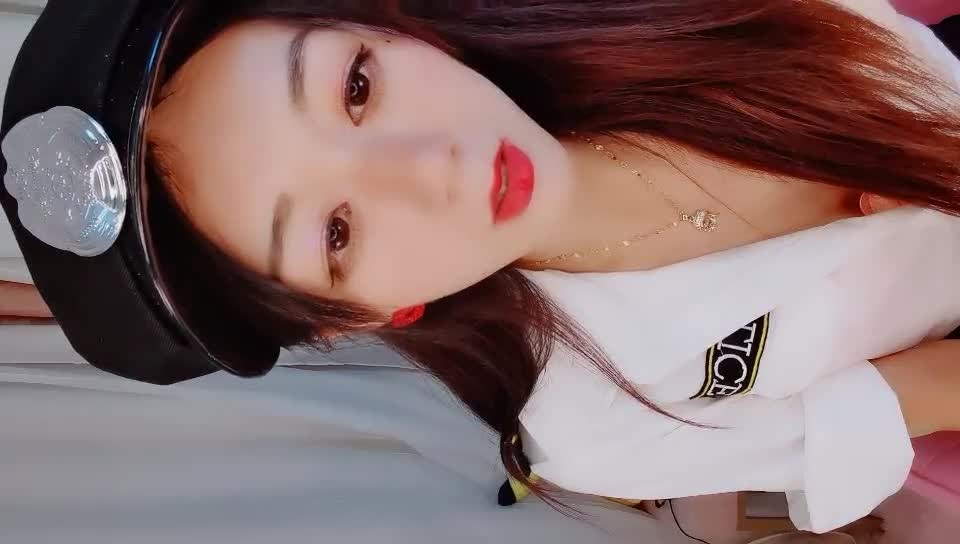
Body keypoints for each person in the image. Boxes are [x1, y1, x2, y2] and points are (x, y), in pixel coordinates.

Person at [2, 0, 960, 535]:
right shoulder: (598, 425)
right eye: (336, 233)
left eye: (357, 87)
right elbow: (923, 392)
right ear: (356, 317)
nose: (431, 167)